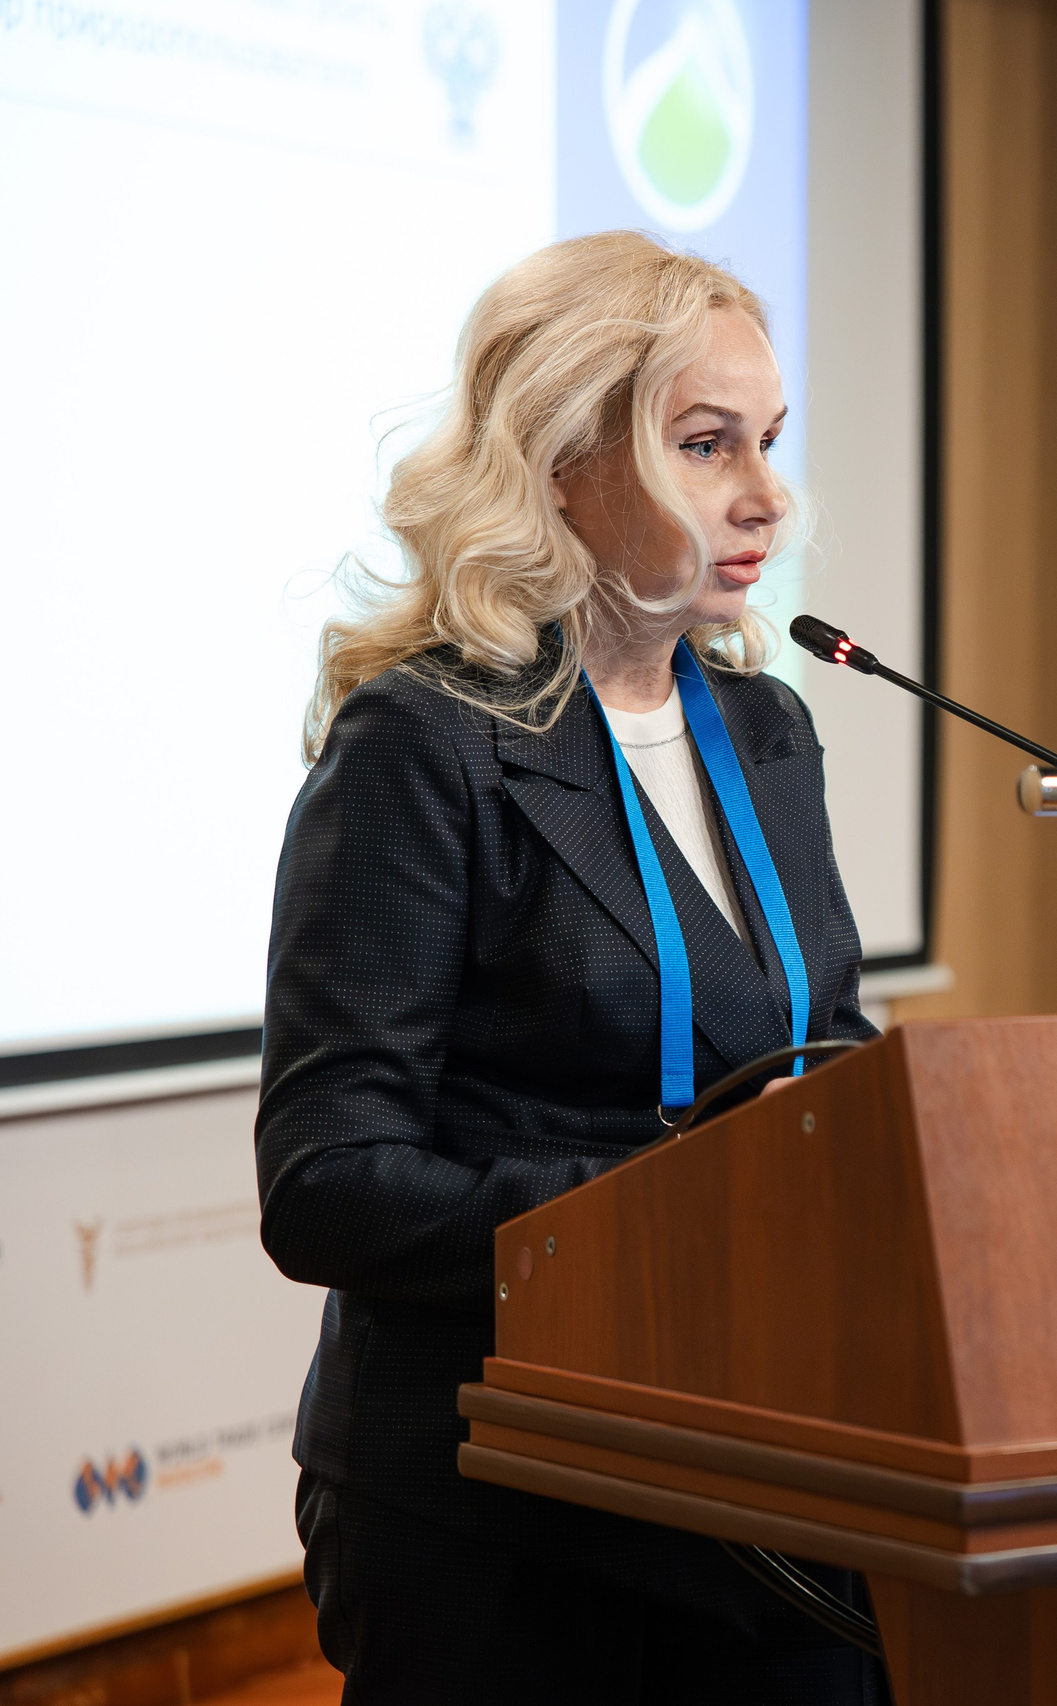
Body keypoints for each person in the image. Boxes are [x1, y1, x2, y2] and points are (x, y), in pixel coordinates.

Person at [256, 233, 887, 1703]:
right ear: (560, 465)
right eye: (704, 444)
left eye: (769, 441)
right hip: (499, 1508)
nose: (766, 495)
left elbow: (823, 1053)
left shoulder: (766, 731)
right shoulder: (426, 742)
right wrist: (664, 1213)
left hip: (760, 1467)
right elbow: (327, 1178)